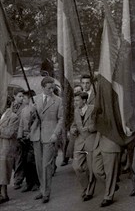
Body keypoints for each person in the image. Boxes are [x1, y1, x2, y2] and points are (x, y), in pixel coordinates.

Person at [30, 76, 64, 204]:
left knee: (46, 165)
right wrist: (32, 110)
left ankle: (46, 192)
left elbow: (61, 119)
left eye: (53, 88)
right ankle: (42, 188)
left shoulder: (58, 101)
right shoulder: (35, 99)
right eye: (49, 88)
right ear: (43, 87)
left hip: (50, 135)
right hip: (36, 135)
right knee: (39, 165)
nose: (51, 90)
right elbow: (30, 119)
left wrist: (56, 133)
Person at [71, 91, 97, 202]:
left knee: (91, 169)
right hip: (79, 143)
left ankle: (89, 192)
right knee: (77, 166)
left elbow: (99, 124)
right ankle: (85, 187)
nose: (75, 102)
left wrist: (90, 128)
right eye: (75, 100)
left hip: (91, 141)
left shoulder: (93, 109)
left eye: (77, 100)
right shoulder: (76, 111)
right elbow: (74, 124)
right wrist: (72, 130)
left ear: (84, 100)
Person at [16, 90, 39, 193]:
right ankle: (28, 183)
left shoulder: (34, 109)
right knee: (25, 161)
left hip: (32, 136)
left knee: (32, 161)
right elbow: (21, 124)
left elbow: (36, 122)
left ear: (30, 98)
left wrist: (30, 134)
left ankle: (36, 182)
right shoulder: (24, 110)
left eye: (25, 98)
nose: (23, 100)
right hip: (24, 138)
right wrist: (19, 136)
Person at [92, 131, 121, 207]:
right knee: (96, 170)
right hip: (98, 143)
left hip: (110, 142)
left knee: (110, 172)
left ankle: (108, 196)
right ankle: (112, 186)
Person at [0, 97, 20, 204]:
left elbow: (9, 133)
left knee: (4, 171)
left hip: (6, 147)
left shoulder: (13, 117)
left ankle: (4, 194)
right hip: (2, 146)